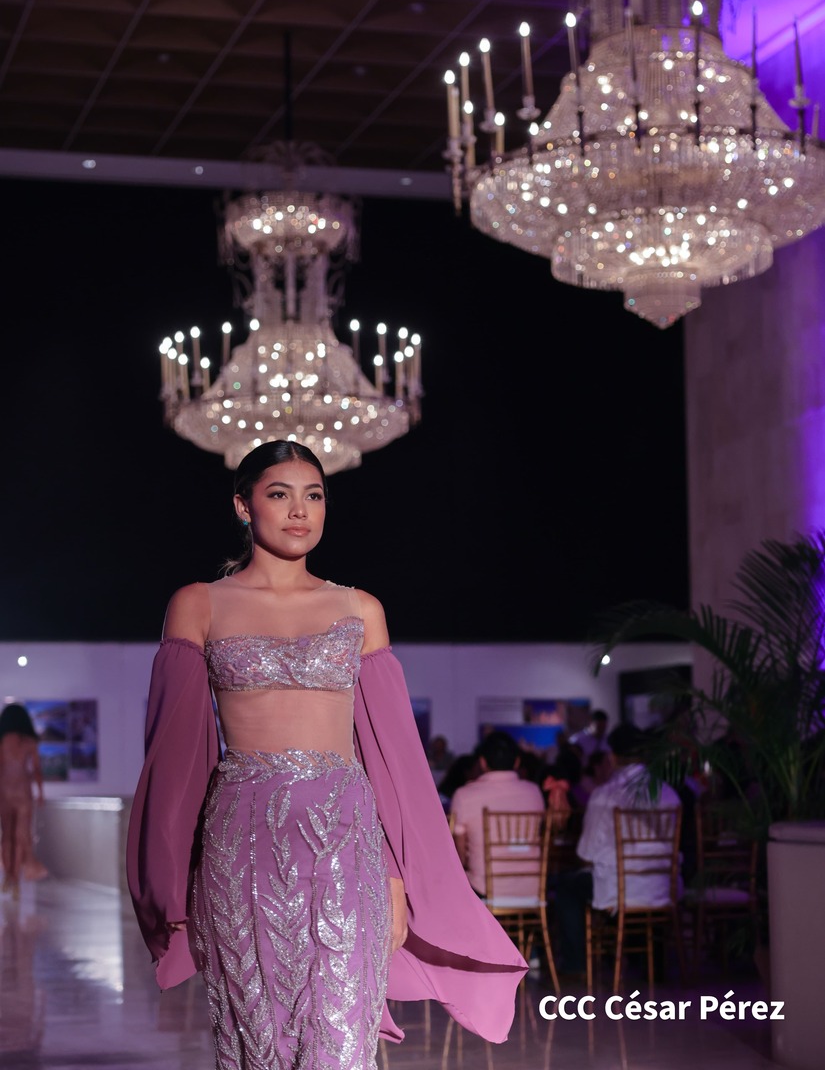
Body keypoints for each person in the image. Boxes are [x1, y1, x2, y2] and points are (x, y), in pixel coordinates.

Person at [126, 439, 526, 1070]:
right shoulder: (198, 603)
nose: (299, 511)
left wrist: (395, 875)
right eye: (279, 494)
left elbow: (392, 758)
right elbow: (172, 757)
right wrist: (171, 880)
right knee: (256, 1043)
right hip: (241, 848)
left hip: (347, 845)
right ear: (243, 506)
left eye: (313, 496)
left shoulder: (359, 609)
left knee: (341, 1041)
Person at [554, 722, 681, 976]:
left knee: (565, 886)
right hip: (663, 887)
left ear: (612, 757)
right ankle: (652, 962)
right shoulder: (668, 793)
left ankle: (576, 965)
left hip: (619, 890)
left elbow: (586, 853)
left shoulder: (605, 794)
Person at [450, 730, 545, 897]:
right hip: (532, 888)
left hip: (483, 889)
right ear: (517, 762)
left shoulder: (464, 795)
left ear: (482, 762)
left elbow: (460, 857)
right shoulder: (534, 792)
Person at [0, 702, 48, 897]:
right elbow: (36, 770)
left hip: (4, 792)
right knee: (21, 835)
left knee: (7, 836)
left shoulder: (2, 741)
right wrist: (41, 793)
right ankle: (16, 879)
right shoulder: (29, 742)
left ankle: (9, 877)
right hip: (23, 793)